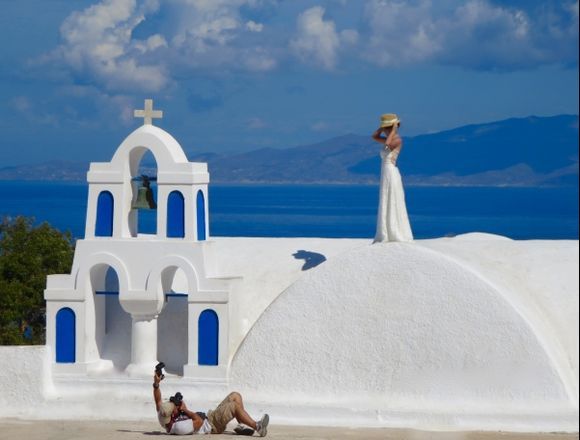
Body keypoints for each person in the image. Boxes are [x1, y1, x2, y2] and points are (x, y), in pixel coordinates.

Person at [153, 370, 269, 436]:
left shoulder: (163, 414)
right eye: (175, 408)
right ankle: (258, 427)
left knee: (235, 396)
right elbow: (198, 421)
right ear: (172, 415)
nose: (175, 406)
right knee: (234, 407)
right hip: (212, 425)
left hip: (211, 416)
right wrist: (185, 409)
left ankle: (241, 426)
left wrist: (156, 384)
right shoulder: (179, 427)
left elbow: (158, 400)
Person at [371, 113, 414, 243]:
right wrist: (381, 127)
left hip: (390, 172)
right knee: (385, 199)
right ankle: (386, 232)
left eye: (387, 127)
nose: (385, 130)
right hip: (385, 172)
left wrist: (394, 129)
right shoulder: (388, 138)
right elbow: (374, 136)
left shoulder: (397, 140)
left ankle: (393, 233)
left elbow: (386, 145)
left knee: (392, 199)